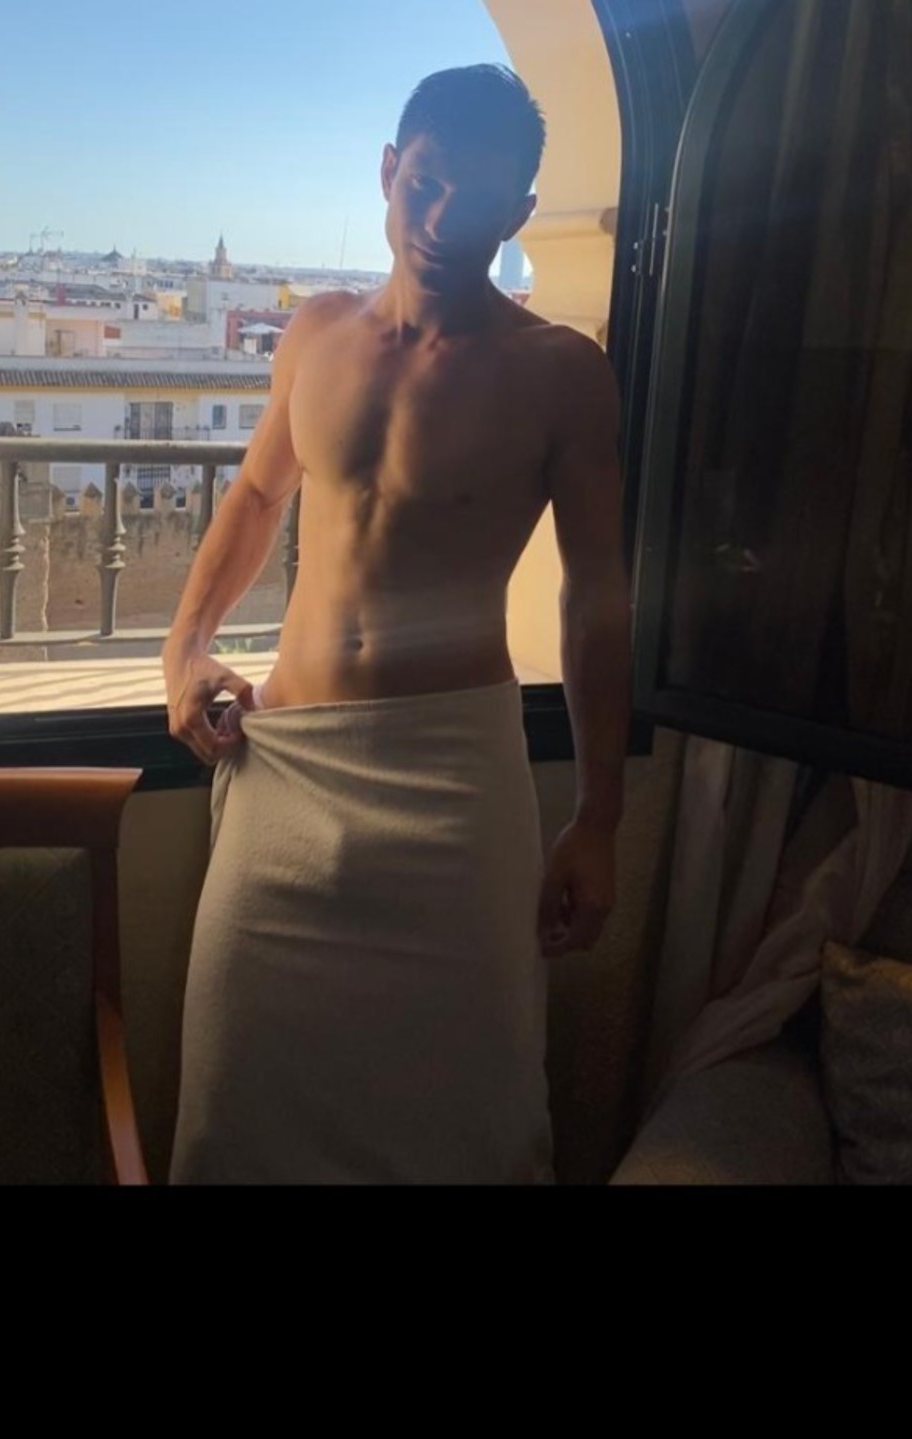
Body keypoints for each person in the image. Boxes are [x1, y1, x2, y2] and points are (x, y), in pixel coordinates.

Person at [163, 64, 631, 1184]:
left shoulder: (562, 374)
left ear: (520, 212)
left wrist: (600, 817)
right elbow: (255, 497)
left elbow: (595, 601)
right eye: (423, 183)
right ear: (388, 170)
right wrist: (184, 650)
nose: (440, 220)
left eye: (477, 199)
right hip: (289, 768)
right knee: (234, 1113)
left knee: (471, 1121)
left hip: (452, 790)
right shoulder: (316, 333)